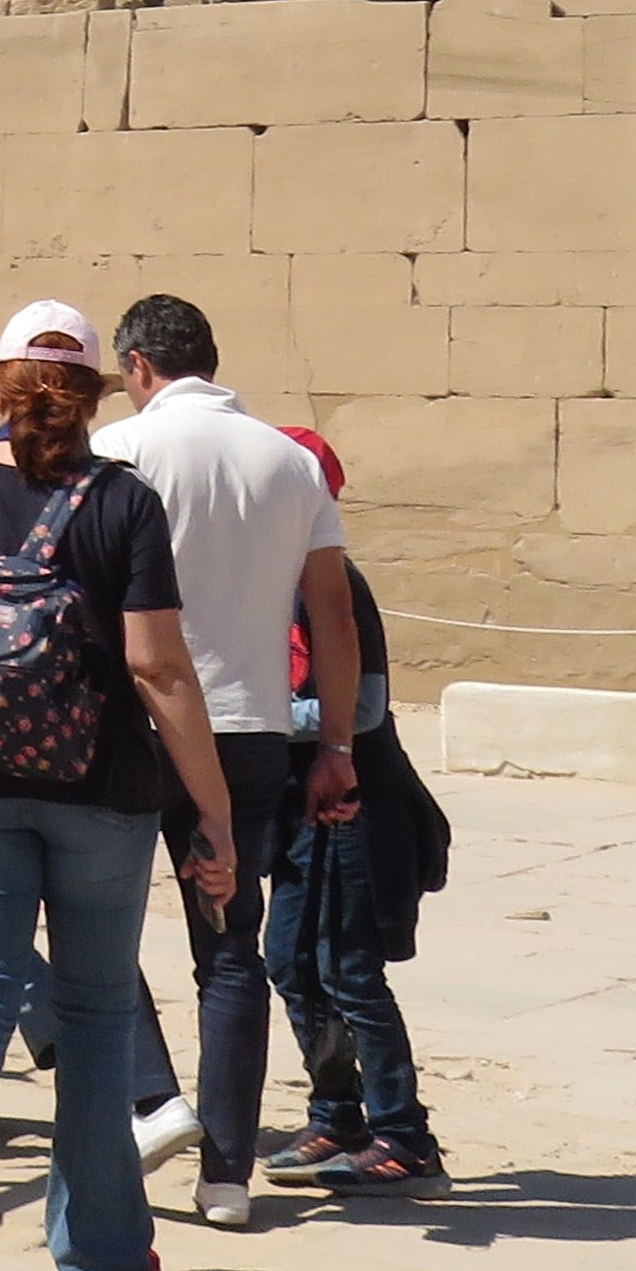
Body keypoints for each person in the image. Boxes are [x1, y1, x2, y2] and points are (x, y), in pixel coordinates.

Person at [0, 301, 239, 1271]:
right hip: (102, 791)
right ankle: (102, 1250)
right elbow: (157, 665)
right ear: (95, 392)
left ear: (0, 379)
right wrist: (212, 809)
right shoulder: (122, 501)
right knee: (92, 1015)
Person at [94, 294, 363, 1231]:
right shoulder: (290, 460)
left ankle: (148, 1094)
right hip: (251, 734)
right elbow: (330, 613)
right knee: (229, 948)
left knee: (88, 924)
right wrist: (334, 743)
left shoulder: (124, 452)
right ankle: (226, 1175)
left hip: (136, 729)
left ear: (135, 367)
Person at [262, 428, 451, 1195]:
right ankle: (335, 1113)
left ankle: (403, 1136)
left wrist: (254, 717)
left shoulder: (336, 585)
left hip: (354, 807)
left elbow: (362, 705)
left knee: (348, 970)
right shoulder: (269, 583)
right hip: (299, 812)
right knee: (288, 961)